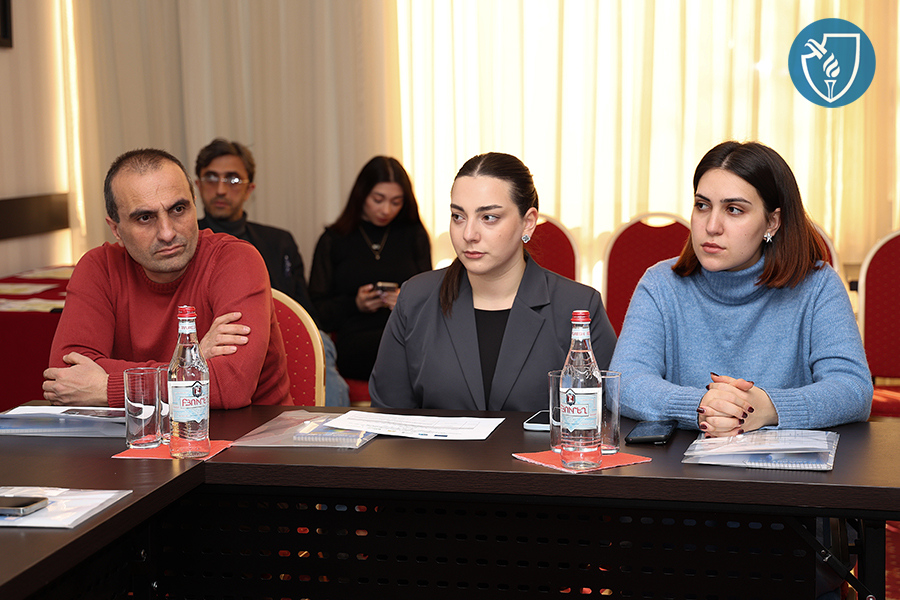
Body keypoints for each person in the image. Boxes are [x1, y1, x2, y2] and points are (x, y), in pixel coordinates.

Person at [610, 140, 872, 436]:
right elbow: (624, 382)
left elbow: (853, 389)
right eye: (702, 205)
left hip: (787, 463)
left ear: (772, 222)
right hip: (681, 462)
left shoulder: (818, 285)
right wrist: (702, 405)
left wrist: (769, 408)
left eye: (734, 210)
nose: (712, 226)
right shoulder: (660, 283)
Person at [43, 148, 292, 409]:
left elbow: (230, 387)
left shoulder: (236, 260)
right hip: (136, 432)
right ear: (116, 229)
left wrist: (108, 387)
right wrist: (192, 360)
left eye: (178, 209)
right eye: (145, 218)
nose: (167, 233)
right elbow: (66, 375)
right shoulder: (98, 267)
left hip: (248, 430)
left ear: (194, 204)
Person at [370, 152, 616, 411]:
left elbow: (608, 416)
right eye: (458, 216)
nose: (468, 234)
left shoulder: (578, 306)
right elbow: (388, 415)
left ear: (528, 223)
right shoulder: (415, 298)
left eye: (488, 217)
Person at [194, 138, 349, 406]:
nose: (220, 189)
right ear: (197, 185)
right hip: (215, 341)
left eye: (232, 179)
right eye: (211, 178)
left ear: (249, 189)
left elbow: (305, 311)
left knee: (321, 343)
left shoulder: (278, 242)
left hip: (281, 337)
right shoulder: (185, 243)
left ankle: (329, 430)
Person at [309, 156, 432, 382]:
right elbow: (317, 311)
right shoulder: (334, 239)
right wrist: (355, 304)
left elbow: (430, 300)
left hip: (406, 333)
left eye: (396, 202)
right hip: (357, 340)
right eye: (378, 199)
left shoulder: (413, 234)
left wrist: (405, 302)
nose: (386, 210)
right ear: (361, 195)